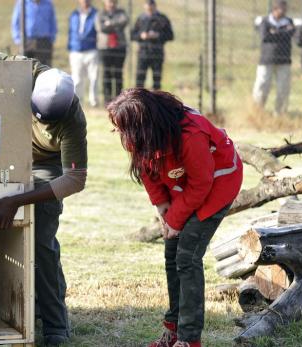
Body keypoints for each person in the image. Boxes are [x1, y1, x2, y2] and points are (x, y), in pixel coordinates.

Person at [0, 46, 87, 347]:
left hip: (45, 165)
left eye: (48, 120)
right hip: (3, 150)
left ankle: (55, 322)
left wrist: (18, 200)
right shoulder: (27, 70)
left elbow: (74, 180)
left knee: (41, 239)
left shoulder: (73, 119)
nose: (43, 122)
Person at [107, 89, 243, 347]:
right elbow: (145, 167)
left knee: (187, 256)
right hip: (183, 186)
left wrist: (175, 220)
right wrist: (161, 206)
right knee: (171, 253)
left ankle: (189, 339)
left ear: (144, 124)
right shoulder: (142, 132)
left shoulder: (191, 134)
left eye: (123, 129)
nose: (120, 135)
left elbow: (201, 184)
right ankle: (173, 330)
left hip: (217, 183)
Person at [252, 0, 295, 116]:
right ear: (275, 9)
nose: (285, 11)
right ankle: (257, 111)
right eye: (282, 9)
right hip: (267, 60)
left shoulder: (289, 21)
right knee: (262, 85)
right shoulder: (265, 21)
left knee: (283, 88)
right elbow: (265, 36)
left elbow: (290, 34)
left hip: (284, 60)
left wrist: (275, 32)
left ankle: (279, 113)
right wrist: (283, 32)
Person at [131, 0, 174, 90]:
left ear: (154, 6)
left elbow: (170, 35)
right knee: (140, 79)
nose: (149, 10)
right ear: (144, 7)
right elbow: (133, 35)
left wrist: (157, 35)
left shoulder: (162, 19)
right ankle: (139, 100)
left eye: (151, 8)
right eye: (147, 8)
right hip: (143, 53)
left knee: (157, 80)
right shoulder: (141, 19)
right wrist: (141, 36)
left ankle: (156, 101)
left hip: (157, 53)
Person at [96, 0, 129, 104]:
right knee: (106, 73)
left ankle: (119, 100)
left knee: (118, 73)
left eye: (113, 2)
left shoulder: (121, 12)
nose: (111, 4)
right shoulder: (100, 14)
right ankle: (107, 100)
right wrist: (116, 25)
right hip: (105, 48)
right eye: (109, 1)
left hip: (119, 48)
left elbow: (124, 21)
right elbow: (101, 28)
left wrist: (110, 23)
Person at [68, 0, 99, 107]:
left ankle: (93, 101)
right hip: (76, 50)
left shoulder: (96, 14)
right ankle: (77, 102)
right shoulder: (74, 14)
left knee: (93, 77)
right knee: (76, 78)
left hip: (91, 49)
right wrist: (71, 46)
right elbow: (71, 31)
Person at [11, 0, 58, 66]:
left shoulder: (48, 3)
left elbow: (53, 22)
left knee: (45, 70)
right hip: (26, 41)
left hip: (44, 41)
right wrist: (18, 40)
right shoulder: (22, 3)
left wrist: (52, 39)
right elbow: (15, 22)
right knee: (25, 69)